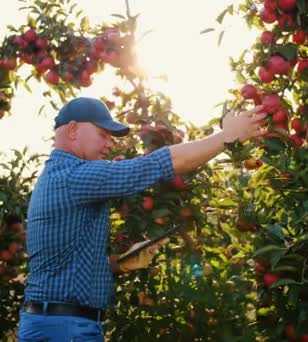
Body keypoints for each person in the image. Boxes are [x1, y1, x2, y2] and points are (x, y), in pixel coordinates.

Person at [17, 97, 266, 341]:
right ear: (73, 130)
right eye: (102, 135)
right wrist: (226, 137)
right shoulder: (74, 175)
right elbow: (155, 166)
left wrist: (117, 263)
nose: (108, 145)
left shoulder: (57, 175)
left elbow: (62, 260)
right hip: (66, 328)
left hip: (54, 322)